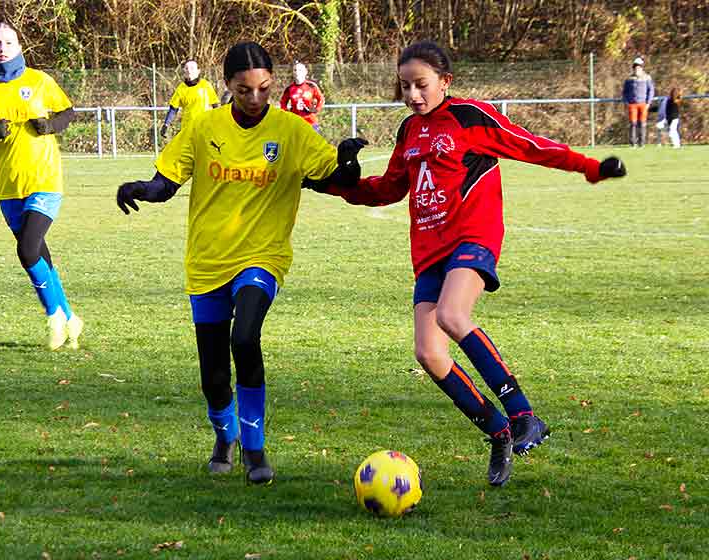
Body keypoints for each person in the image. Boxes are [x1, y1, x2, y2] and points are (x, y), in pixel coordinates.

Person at [309, 41, 626, 487]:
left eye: (421, 85)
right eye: (405, 87)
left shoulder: (471, 118)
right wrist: (338, 183)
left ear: (445, 81)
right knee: (428, 352)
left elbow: (531, 146)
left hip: (472, 236)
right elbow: (386, 189)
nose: (414, 95)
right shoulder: (408, 132)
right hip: (428, 251)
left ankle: (524, 416)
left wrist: (590, 167)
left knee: (454, 316)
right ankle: (499, 433)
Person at [116, 42, 365, 485]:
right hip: (208, 260)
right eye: (244, 89)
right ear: (228, 85)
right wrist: (138, 187)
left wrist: (347, 158)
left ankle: (254, 447)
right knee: (212, 374)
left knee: (246, 336)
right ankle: (223, 437)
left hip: (261, 256)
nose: (255, 99)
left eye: (264, 89)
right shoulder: (203, 127)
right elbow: (165, 183)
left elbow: (337, 179)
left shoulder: (291, 130)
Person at [0, 21, 83, 350]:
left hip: (44, 180)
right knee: (39, 253)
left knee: (27, 249)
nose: (2, 47)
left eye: (8, 42)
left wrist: (49, 125)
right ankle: (70, 317)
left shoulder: (40, 81)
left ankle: (53, 315)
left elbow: (69, 113)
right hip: (8, 187)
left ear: (19, 46)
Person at [159, 60, 220, 138]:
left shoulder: (205, 85)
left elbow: (216, 105)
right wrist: (166, 125)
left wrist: (219, 122)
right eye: (186, 68)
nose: (189, 70)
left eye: (192, 68)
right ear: (184, 71)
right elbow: (173, 109)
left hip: (205, 127)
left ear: (198, 71)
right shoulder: (181, 88)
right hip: (187, 128)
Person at [279, 62, 325, 132]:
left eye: (300, 70)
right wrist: (286, 113)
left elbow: (321, 99)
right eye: (295, 70)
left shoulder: (311, 86)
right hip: (295, 123)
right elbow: (283, 102)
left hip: (311, 123)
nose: (297, 72)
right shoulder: (290, 88)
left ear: (305, 72)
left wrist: (316, 109)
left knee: (313, 142)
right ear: (293, 73)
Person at [622, 57, 655, 147]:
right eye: (636, 67)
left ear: (642, 67)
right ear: (633, 68)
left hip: (643, 104)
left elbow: (651, 90)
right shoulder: (629, 79)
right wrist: (626, 102)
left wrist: (648, 102)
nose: (637, 68)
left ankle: (642, 142)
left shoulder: (647, 78)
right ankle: (633, 143)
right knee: (633, 123)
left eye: (639, 67)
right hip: (632, 104)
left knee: (642, 123)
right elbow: (624, 92)